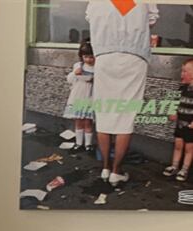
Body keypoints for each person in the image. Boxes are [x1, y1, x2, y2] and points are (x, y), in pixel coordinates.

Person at [85, 1, 159, 185]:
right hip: (134, 55)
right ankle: (116, 171)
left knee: (103, 113)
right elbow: (152, 20)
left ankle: (105, 168)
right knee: (125, 115)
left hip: (104, 55)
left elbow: (90, 17)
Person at [163, 58, 193, 182]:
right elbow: (175, 102)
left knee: (189, 148)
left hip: (190, 125)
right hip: (180, 123)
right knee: (178, 145)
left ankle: (185, 169)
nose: (182, 74)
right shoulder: (182, 89)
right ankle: (174, 166)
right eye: (182, 71)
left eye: (185, 71)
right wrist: (172, 111)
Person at [63, 40, 96, 152]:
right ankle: (78, 143)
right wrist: (74, 73)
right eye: (86, 57)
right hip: (78, 95)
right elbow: (69, 80)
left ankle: (88, 144)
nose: (88, 60)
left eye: (91, 57)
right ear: (81, 56)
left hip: (90, 96)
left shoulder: (97, 67)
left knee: (88, 121)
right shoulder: (78, 66)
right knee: (78, 121)